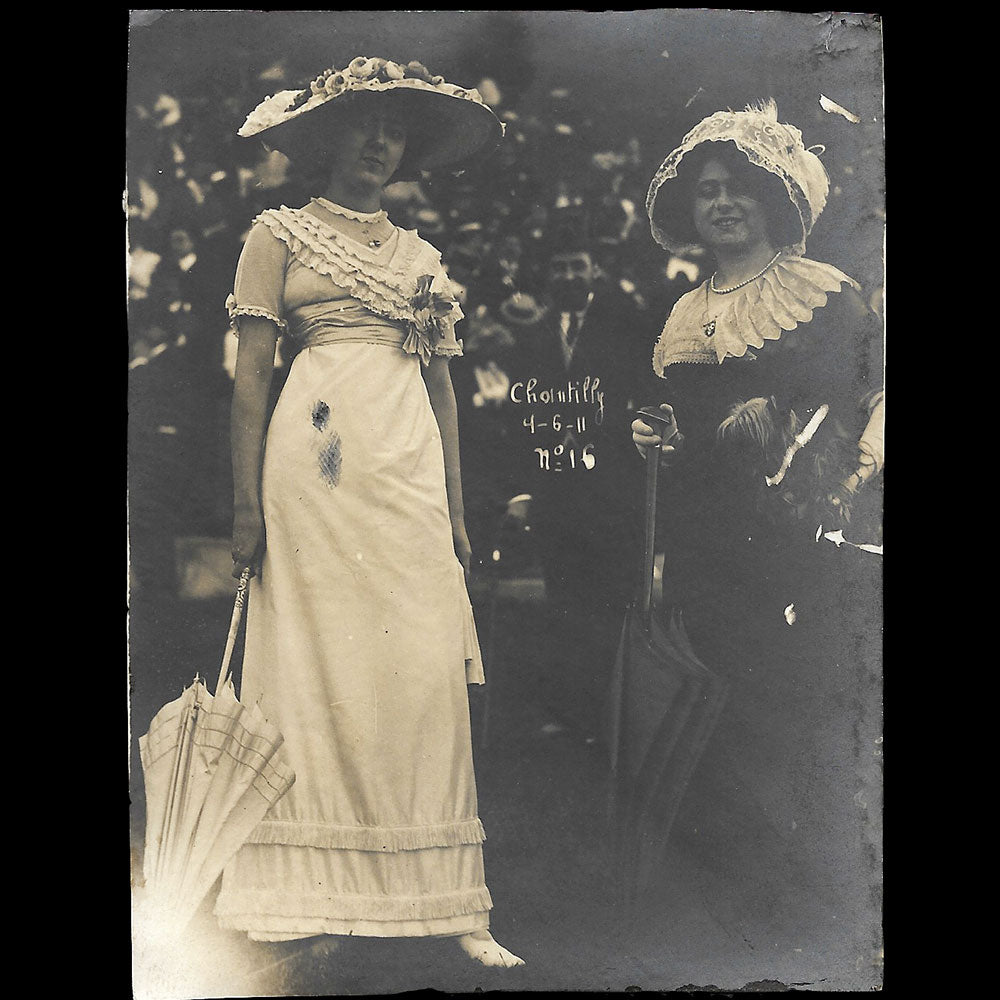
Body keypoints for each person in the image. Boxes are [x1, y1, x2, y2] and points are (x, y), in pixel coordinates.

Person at [215, 55, 523, 968]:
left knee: (421, 666)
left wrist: (458, 508)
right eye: (362, 124)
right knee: (318, 664)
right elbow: (250, 380)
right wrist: (241, 505)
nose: (379, 141)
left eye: (394, 128)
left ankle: (446, 896)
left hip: (406, 476)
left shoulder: (424, 258)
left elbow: (446, 394)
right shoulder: (276, 234)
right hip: (312, 471)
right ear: (326, 137)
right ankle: (308, 893)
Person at [630, 102, 883, 927]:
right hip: (707, 543)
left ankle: (811, 899)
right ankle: (729, 893)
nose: (723, 204)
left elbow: (861, 399)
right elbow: (685, 431)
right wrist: (656, 437)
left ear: (772, 201)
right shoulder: (681, 314)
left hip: (798, 538)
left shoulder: (823, 294)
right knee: (714, 703)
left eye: (738, 189)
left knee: (795, 708)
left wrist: (816, 464)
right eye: (707, 192)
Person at [506, 211, 660, 742]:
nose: (570, 276)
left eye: (579, 266)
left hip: (612, 494)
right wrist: (525, 490)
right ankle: (571, 715)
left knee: (614, 605)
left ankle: (617, 716)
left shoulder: (625, 325)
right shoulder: (532, 337)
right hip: (556, 497)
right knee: (564, 605)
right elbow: (521, 419)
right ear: (549, 275)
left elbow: (646, 402)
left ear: (594, 270)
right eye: (560, 268)